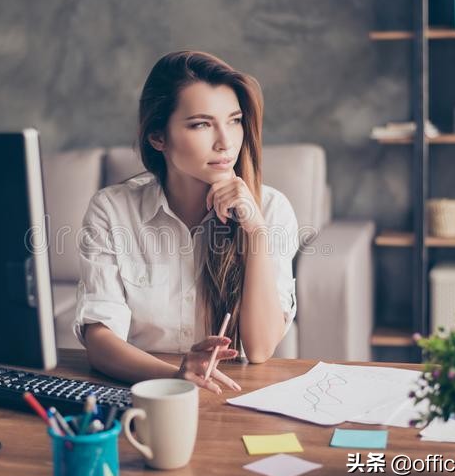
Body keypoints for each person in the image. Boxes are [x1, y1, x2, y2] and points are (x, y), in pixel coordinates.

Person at [75, 50, 300, 394]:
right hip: (145, 392)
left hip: (233, 392)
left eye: (235, 120)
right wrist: (175, 376)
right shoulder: (112, 210)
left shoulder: (270, 209)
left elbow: (259, 350)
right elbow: (100, 340)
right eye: (201, 124)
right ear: (158, 137)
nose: (226, 142)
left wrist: (255, 233)